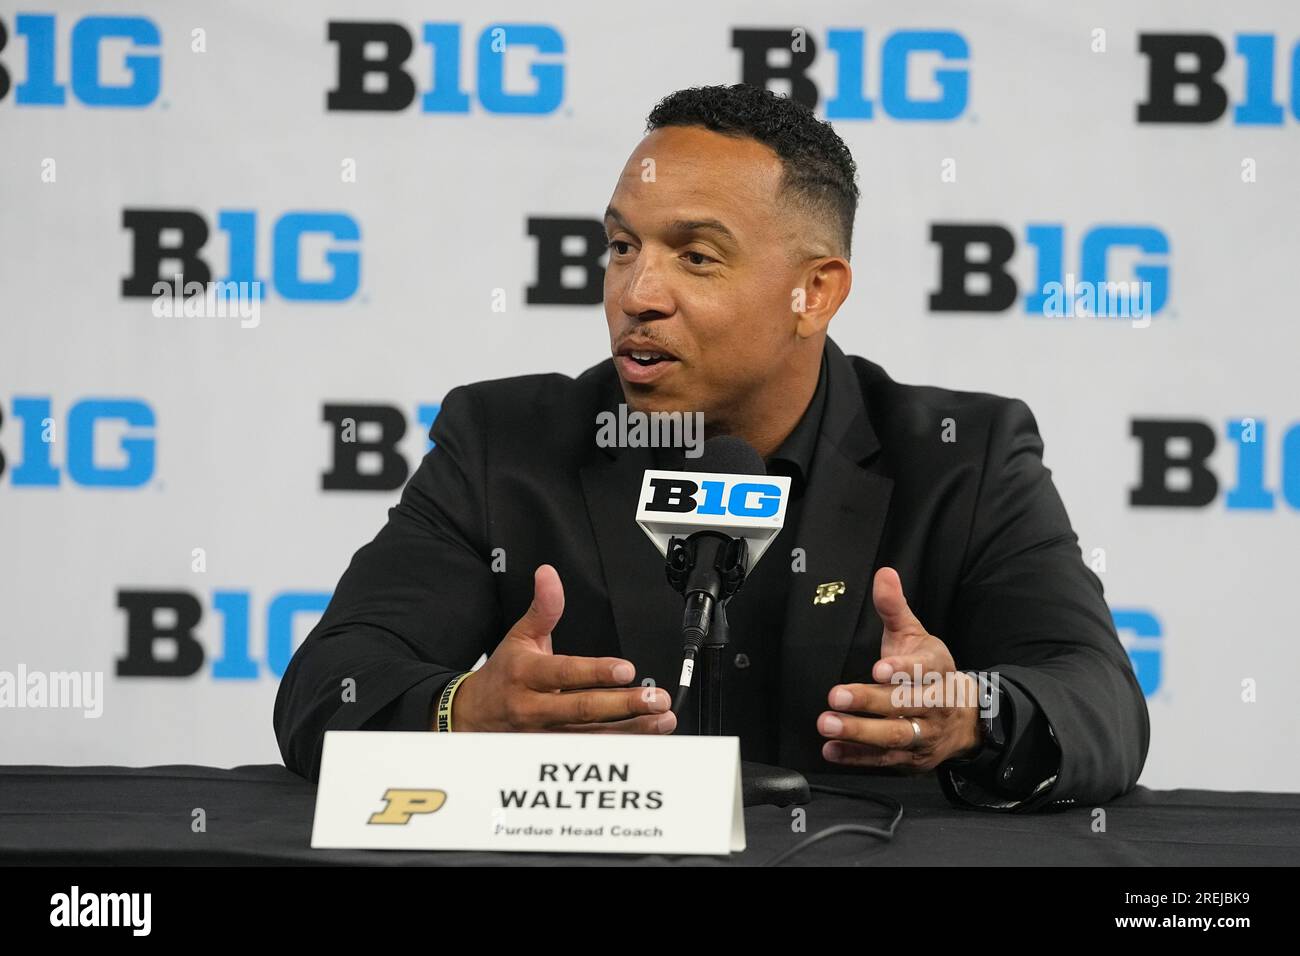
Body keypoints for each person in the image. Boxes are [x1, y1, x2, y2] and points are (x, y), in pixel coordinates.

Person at [274, 84, 1149, 812]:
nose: (636, 293)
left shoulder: (964, 459)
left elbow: (1100, 700)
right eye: (622, 247)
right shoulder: (503, 446)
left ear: (814, 292)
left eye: (695, 257)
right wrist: (464, 711)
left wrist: (973, 715)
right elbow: (330, 682)